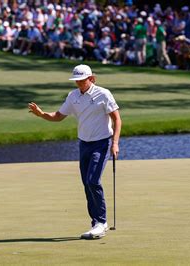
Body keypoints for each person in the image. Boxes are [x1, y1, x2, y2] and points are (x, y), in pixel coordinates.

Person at [28, 64, 122, 239]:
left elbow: (117, 119)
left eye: (82, 80)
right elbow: (58, 116)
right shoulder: (73, 96)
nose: (79, 83)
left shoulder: (103, 94)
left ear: (91, 79)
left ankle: (101, 222)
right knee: (87, 183)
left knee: (93, 181)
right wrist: (41, 114)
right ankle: (96, 222)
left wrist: (115, 143)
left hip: (101, 143)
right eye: (76, 81)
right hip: (83, 144)